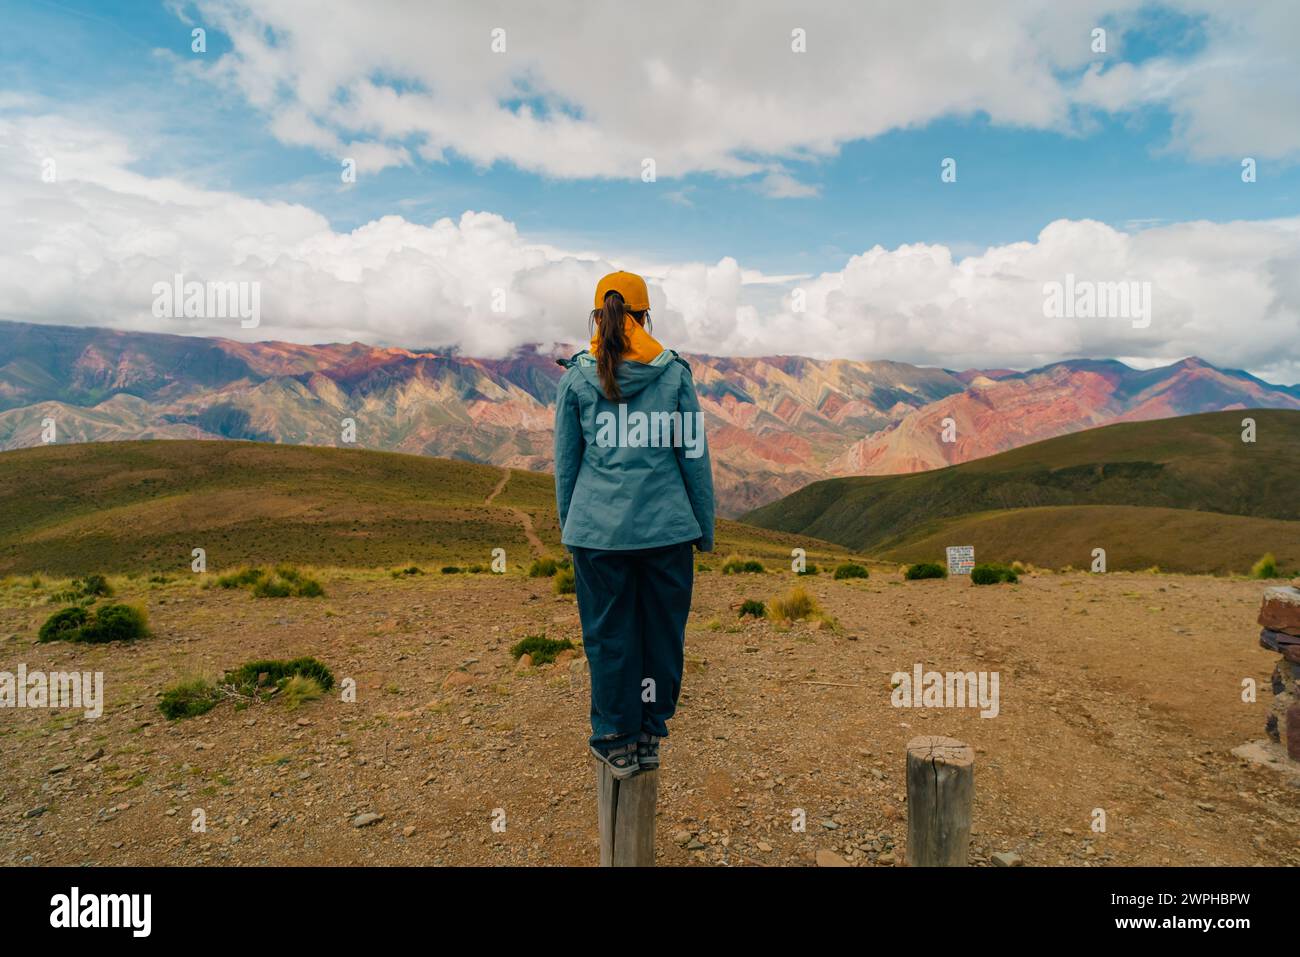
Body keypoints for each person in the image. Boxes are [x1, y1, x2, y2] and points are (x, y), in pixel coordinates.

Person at [553, 270, 715, 779]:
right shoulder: (673, 375)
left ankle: (615, 736)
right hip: (667, 532)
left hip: (598, 535)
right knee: (662, 633)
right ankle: (649, 731)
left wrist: (571, 527)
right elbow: (694, 458)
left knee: (609, 634)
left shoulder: (577, 378)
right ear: (645, 317)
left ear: (597, 318)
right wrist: (703, 528)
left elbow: (567, 464)